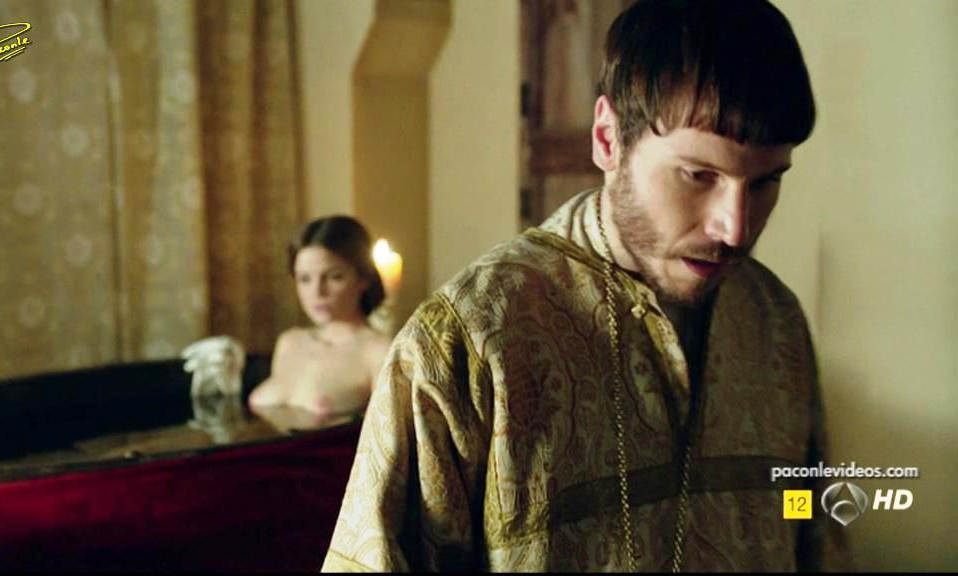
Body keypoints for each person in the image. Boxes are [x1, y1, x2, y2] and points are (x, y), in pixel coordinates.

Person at [322, 0, 849, 572]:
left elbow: (808, 522)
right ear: (607, 139)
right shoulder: (466, 341)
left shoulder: (774, 319)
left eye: (766, 182)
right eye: (699, 175)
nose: (735, 229)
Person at [248, 216, 390, 420]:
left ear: (363, 278)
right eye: (304, 278)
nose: (317, 292)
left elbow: (387, 433)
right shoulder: (289, 342)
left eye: (334, 277)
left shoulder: (378, 351)